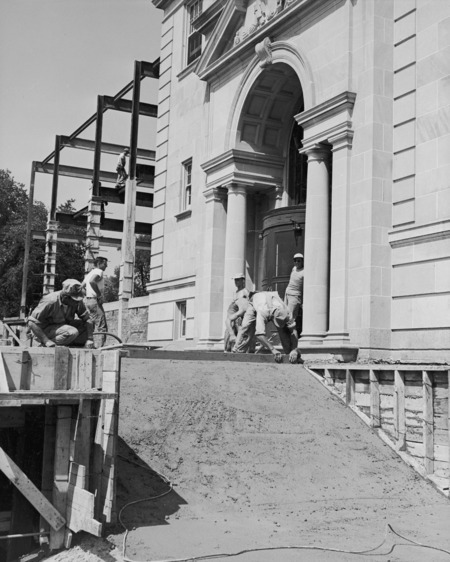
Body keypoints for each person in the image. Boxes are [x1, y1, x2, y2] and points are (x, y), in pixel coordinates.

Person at [233, 291, 300, 363]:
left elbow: (293, 331)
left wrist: (294, 349)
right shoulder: (263, 310)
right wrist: (273, 349)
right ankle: (237, 353)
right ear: (274, 318)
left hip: (272, 299)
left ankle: (292, 355)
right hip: (256, 301)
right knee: (246, 327)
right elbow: (259, 335)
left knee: (288, 343)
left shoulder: (287, 312)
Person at [27, 279, 94, 348]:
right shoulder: (50, 301)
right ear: (65, 297)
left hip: (62, 327)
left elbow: (88, 319)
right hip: (43, 331)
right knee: (72, 332)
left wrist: (90, 339)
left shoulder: (77, 302)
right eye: (75, 300)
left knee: (87, 325)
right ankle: (45, 346)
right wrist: (46, 341)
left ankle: (69, 344)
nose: (77, 302)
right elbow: (31, 322)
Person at [83, 256, 108, 347]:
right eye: (105, 264)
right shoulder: (98, 271)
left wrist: (87, 296)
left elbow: (82, 286)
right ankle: (102, 347)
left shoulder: (90, 273)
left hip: (88, 301)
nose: (106, 266)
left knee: (91, 324)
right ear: (99, 264)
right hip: (94, 301)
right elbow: (92, 282)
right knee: (102, 325)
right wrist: (99, 295)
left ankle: (90, 344)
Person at [284, 252, 304, 334]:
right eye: (295, 261)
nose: (297, 263)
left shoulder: (304, 272)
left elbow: (305, 287)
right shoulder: (294, 268)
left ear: (302, 261)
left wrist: (302, 301)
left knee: (290, 318)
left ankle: (292, 338)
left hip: (295, 296)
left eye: (299, 261)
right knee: (284, 314)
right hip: (287, 293)